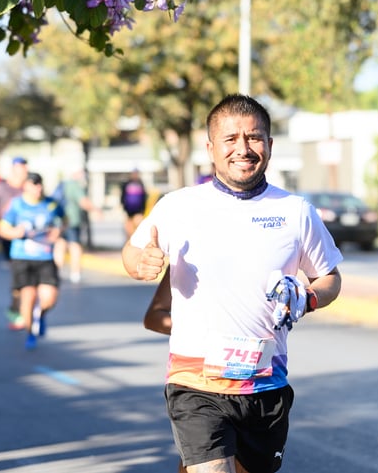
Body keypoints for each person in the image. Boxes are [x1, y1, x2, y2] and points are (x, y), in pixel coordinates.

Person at [121, 94, 343, 473]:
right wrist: (140, 262)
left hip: (265, 384)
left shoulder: (295, 211)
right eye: (230, 139)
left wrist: (309, 297)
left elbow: (330, 277)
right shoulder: (179, 206)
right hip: (196, 382)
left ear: (270, 145)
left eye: (254, 138)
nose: (243, 148)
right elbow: (133, 251)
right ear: (210, 148)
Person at [0, 172, 64, 351]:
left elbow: (63, 220)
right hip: (22, 258)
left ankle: (39, 315)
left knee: (49, 298)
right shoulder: (17, 205)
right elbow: (2, 228)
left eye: (40, 184)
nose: (38, 188)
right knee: (28, 296)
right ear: (26, 186)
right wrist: (14, 233)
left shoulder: (50, 204)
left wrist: (58, 231)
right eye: (34, 184)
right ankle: (30, 333)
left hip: (45, 257)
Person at [0, 156, 29, 328]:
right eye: (20, 168)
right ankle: (16, 309)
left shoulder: (29, 187)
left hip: (29, 235)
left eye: (25, 168)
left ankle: (23, 309)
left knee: (27, 274)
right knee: (19, 273)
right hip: (9, 235)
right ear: (14, 169)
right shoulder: (1, 187)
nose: (23, 171)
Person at [52, 168, 100, 283]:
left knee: (60, 245)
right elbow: (83, 202)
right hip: (71, 220)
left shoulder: (63, 184)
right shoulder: (75, 186)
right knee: (75, 246)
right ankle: (75, 273)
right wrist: (96, 210)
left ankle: (56, 271)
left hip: (59, 221)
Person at [120, 168, 147, 239]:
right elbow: (123, 197)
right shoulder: (137, 184)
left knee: (137, 228)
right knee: (131, 229)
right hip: (130, 211)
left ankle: (133, 242)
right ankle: (131, 241)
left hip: (137, 211)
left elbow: (144, 198)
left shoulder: (139, 184)